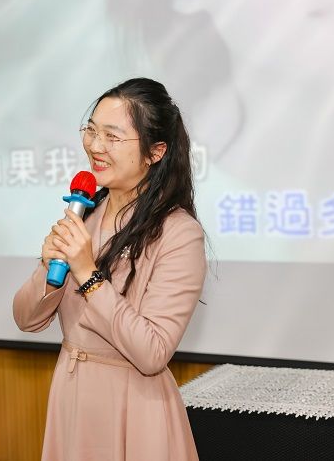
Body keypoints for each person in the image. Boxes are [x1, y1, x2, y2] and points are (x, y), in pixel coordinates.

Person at [13, 78, 206, 461]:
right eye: (91, 131)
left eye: (112, 137)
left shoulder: (179, 233)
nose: (95, 146)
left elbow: (152, 353)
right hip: (72, 397)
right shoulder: (83, 215)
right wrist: (48, 265)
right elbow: (26, 318)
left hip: (134, 406)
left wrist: (88, 275)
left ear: (155, 152)